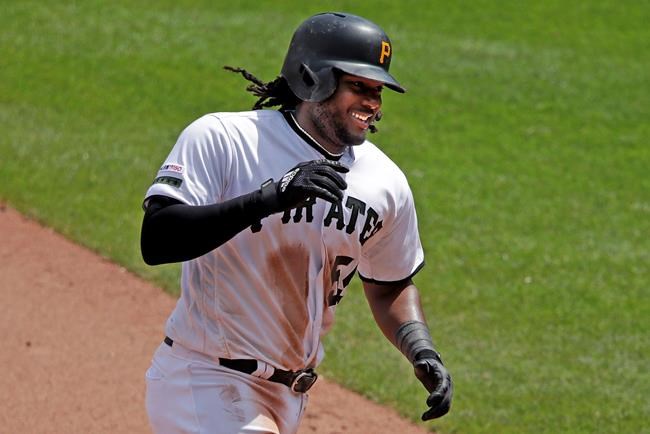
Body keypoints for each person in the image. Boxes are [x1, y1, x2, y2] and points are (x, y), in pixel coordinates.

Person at [140, 11, 452, 434]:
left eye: (378, 90)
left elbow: (390, 284)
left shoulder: (385, 182)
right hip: (205, 377)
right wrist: (269, 199)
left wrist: (421, 349)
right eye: (358, 86)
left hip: (288, 395)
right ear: (312, 79)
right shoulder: (226, 139)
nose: (372, 103)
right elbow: (158, 239)